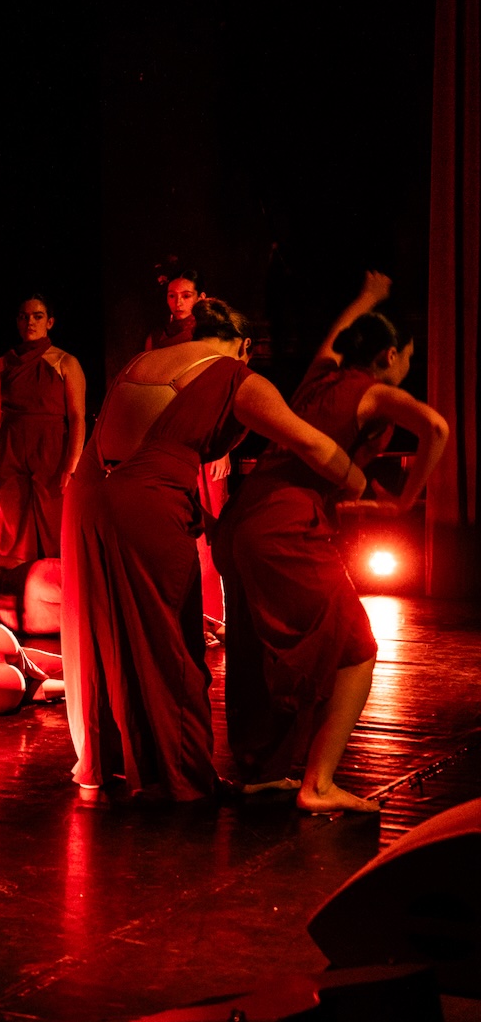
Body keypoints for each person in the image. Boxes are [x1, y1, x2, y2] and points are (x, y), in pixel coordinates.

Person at [62, 298, 366, 803]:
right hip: (145, 501)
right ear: (245, 346)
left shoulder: (149, 358)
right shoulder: (231, 375)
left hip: (88, 495)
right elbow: (309, 443)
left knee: (102, 632)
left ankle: (110, 764)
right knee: (173, 641)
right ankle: (182, 779)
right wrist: (355, 480)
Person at [218, 273, 449, 814]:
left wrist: (366, 298)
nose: (407, 369)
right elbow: (435, 428)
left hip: (242, 520)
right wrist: (404, 501)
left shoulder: (319, 378)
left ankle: (259, 769)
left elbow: (333, 337)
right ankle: (317, 784)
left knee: (257, 648)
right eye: (408, 358)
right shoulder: (374, 392)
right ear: (391, 354)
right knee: (356, 649)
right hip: (285, 528)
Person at [147, 269, 232, 635]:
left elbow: (222, 388)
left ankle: (219, 616)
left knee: (210, 530)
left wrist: (223, 446)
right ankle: (188, 619)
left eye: (185, 295)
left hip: (205, 437)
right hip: (170, 439)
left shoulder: (211, 336)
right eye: (172, 296)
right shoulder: (157, 338)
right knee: (174, 527)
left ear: (200, 296)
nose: (178, 302)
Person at [0, 294, 85, 562]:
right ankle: (12, 591)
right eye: (24, 316)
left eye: (37, 316)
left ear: (50, 322)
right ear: (17, 322)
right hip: (11, 445)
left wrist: (72, 465)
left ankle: (58, 593)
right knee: (11, 526)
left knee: (55, 523)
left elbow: (77, 417)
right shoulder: (2, 364)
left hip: (51, 446)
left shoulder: (65, 362)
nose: (30, 322)